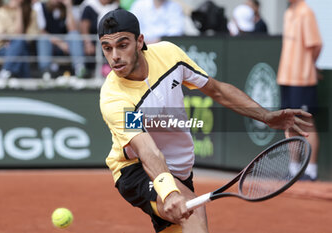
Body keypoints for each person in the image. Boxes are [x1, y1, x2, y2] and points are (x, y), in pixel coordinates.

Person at [98, 9, 313, 233]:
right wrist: (169, 192)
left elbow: (217, 90)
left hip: (180, 169)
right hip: (136, 169)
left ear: (140, 41)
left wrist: (265, 116)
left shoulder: (169, 55)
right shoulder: (115, 99)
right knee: (195, 212)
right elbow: (146, 149)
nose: (115, 56)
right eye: (107, 48)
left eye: (123, 45)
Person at [277, 0, 322, 181]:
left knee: (306, 124)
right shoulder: (288, 13)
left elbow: (316, 44)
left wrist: (308, 66)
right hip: (285, 77)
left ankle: (311, 171)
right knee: (289, 123)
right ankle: (294, 169)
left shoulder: (306, 12)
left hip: (303, 79)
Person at [33, 0, 86, 79]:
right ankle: (45, 71)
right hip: (49, 44)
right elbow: (41, 32)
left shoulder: (69, 9)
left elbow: (72, 29)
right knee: (43, 39)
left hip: (66, 46)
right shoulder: (39, 7)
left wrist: (68, 7)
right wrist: (60, 43)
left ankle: (79, 68)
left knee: (74, 35)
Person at [0, 0, 38, 81]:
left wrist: (19, 10)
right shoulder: (3, 11)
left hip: (23, 47)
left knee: (19, 44)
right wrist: (12, 41)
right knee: (20, 50)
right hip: (4, 48)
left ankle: (6, 71)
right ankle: (26, 80)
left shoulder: (32, 12)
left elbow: (30, 35)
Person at [79, 0, 119, 76]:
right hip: (93, 42)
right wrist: (88, 43)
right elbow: (84, 28)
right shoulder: (89, 7)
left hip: (110, 42)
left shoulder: (117, 8)